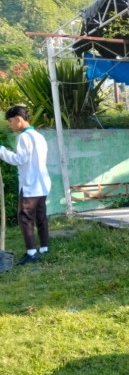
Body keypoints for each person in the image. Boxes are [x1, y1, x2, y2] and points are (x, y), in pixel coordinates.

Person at [1, 105, 51, 266]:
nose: (10, 125)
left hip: (30, 184)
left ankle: (31, 253)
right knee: (41, 217)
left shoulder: (24, 137)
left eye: (10, 121)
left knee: (25, 217)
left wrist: (2, 151)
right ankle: (44, 248)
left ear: (18, 119)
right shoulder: (39, 136)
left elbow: (19, 159)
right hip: (42, 183)